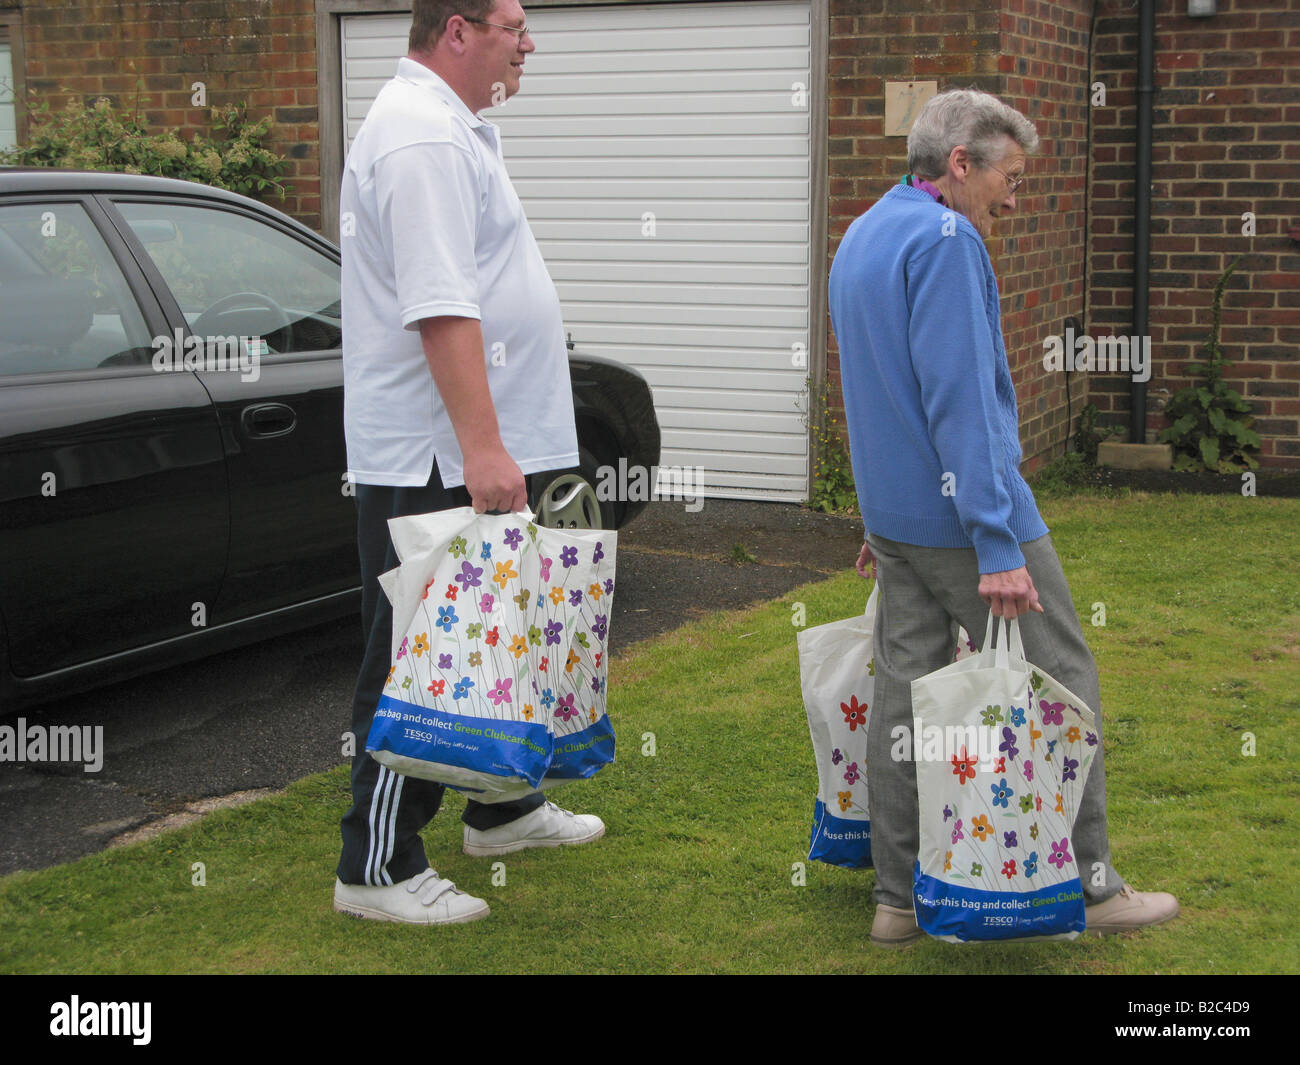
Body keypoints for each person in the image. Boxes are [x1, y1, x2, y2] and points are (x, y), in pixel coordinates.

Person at [827, 88, 1178, 947]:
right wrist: (996, 540)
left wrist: (875, 520)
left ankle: (897, 901)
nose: (1014, 198)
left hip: (898, 524)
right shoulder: (948, 241)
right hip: (967, 521)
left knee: (905, 698)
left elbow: (868, 394)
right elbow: (961, 404)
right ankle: (1090, 887)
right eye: (1010, 178)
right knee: (1064, 681)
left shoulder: (865, 232)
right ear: (960, 164)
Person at [333, 0, 604, 925]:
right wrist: (484, 449)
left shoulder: (459, 129)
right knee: (413, 652)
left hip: (479, 442)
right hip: (436, 451)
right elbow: (442, 307)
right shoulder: (420, 138)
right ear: (457, 30)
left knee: (503, 631)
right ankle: (374, 866)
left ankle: (502, 806)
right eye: (512, 26)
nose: (529, 43)